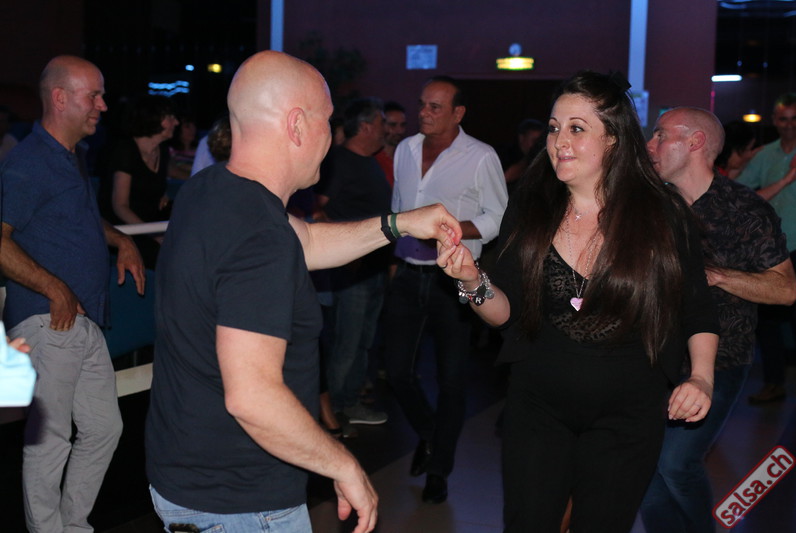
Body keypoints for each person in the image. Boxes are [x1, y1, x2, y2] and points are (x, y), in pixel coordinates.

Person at [144, 50, 463, 533]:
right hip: (240, 501)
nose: (331, 137)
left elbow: (309, 241)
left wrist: (401, 223)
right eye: (327, 121)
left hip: (188, 476)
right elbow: (252, 396)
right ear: (296, 125)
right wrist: (341, 463)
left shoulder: (211, 189)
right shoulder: (258, 232)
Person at [437, 71, 719, 533]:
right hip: (538, 406)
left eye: (576, 128)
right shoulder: (530, 207)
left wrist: (702, 378)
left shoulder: (661, 215)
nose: (559, 141)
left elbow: (696, 307)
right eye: (553, 128)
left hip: (629, 414)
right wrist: (472, 280)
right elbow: (505, 313)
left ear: (613, 139)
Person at [0, 55, 145, 533]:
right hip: (49, 318)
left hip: (79, 320)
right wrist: (53, 287)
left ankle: (72, 525)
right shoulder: (29, 161)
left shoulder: (68, 156)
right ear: (60, 98)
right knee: (50, 438)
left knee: (104, 428)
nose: (102, 105)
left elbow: (76, 219)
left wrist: (120, 239)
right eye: (93, 95)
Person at [640, 107, 796, 533]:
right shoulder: (650, 205)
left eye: (661, 135)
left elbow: (785, 290)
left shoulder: (744, 209)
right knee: (647, 467)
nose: (650, 145)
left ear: (695, 143)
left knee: (676, 463)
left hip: (721, 358)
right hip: (651, 357)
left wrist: (717, 276)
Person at [385, 75, 508, 504]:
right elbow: (398, 210)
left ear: (458, 113)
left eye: (434, 107)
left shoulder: (480, 156)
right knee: (396, 370)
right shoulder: (405, 149)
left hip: (454, 278)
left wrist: (451, 229)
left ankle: (439, 470)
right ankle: (429, 433)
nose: (423, 112)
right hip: (408, 271)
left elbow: (498, 218)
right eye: (422, 104)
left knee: (452, 379)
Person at [316, 97, 392, 425]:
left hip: (373, 267)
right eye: (381, 123)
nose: (386, 130)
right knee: (348, 340)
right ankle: (338, 408)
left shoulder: (369, 162)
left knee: (362, 339)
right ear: (365, 127)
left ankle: (349, 401)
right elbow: (317, 208)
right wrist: (344, 251)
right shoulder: (340, 161)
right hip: (352, 271)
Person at [736, 92, 796, 404]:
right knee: (768, 321)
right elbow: (739, 189)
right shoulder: (766, 154)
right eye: (783, 119)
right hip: (771, 249)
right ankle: (774, 383)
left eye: (795, 118)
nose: (789, 125)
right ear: (774, 121)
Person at [100, 94, 178, 268]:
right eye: (171, 117)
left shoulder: (162, 151)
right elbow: (120, 206)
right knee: (164, 255)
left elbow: (154, 182)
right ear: (155, 119)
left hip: (149, 222)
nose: (176, 122)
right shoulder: (126, 151)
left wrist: (163, 194)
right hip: (125, 228)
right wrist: (152, 234)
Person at [375, 101, 407, 187]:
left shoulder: (406, 158)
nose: (399, 131)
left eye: (403, 125)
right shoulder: (373, 160)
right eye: (393, 125)